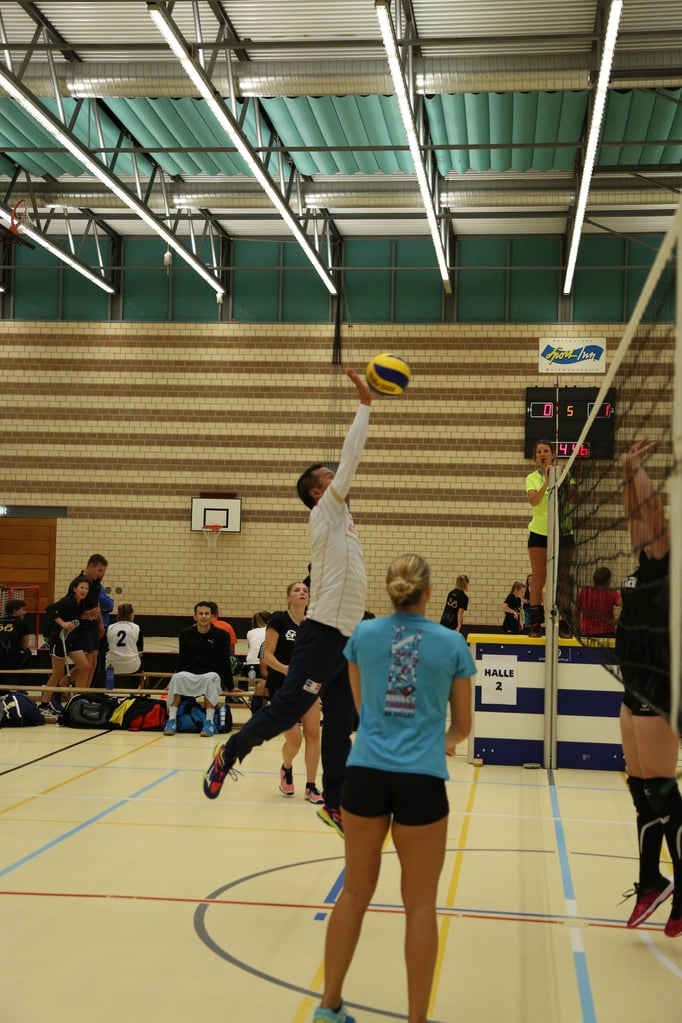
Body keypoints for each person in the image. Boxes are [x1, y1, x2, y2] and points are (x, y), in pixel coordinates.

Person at [204, 367, 373, 837]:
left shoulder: (341, 518)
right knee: (284, 710)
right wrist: (365, 405)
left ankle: (334, 803)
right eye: (328, 477)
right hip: (322, 634)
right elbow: (352, 457)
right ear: (319, 492)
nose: (337, 477)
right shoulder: (326, 510)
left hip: (346, 637)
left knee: (341, 724)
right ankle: (228, 754)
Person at [313, 553, 474, 1023]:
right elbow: (462, 727)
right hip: (422, 779)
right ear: (429, 593)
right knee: (420, 905)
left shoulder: (363, 636)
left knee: (353, 893)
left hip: (365, 774)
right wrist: (439, 741)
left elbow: (363, 710)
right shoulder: (452, 643)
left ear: (389, 590)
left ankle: (328, 1007)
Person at [617, 438, 681, 938]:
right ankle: (650, 880)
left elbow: (651, 515)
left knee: (661, 786)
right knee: (640, 785)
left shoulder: (667, 556)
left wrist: (636, 468)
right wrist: (625, 471)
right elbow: (635, 519)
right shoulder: (645, 560)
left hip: (659, 682)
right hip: (632, 681)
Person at [262, 581, 323, 805]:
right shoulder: (279, 620)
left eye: (305, 590)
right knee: (295, 740)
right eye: (297, 590)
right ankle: (286, 768)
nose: (302, 592)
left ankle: (311, 786)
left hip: (309, 684)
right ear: (288, 598)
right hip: (283, 685)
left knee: (314, 734)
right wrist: (286, 669)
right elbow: (267, 655)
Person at [525, 440, 575, 638]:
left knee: (563, 579)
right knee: (538, 580)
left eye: (546, 451)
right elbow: (534, 501)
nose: (542, 454)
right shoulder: (532, 478)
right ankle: (536, 625)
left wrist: (561, 479)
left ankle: (564, 623)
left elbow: (573, 499)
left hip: (563, 532)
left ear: (553, 455)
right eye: (539, 452)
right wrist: (547, 480)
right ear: (536, 457)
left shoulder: (566, 473)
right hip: (539, 533)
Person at [163, 601, 232, 737]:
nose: (204, 616)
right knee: (178, 677)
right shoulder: (185, 634)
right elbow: (182, 659)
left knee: (211, 678)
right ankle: (171, 721)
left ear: (212, 616)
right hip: (191, 674)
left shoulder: (222, 635)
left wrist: (231, 686)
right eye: (200, 614)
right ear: (195, 616)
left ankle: (209, 722)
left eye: (207, 613)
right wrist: (172, 680)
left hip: (211, 675)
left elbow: (225, 661)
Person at [38, 576, 92, 717]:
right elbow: (50, 609)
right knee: (57, 673)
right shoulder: (68, 601)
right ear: (74, 589)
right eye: (81, 587)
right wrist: (63, 624)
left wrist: (88, 616)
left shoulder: (81, 603)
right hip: (59, 639)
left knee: (85, 667)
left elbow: (76, 616)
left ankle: (78, 701)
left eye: (86, 588)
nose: (84, 590)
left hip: (72, 639)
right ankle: (44, 704)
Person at [75, 554, 108, 686]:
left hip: (93, 624)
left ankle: (85, 692)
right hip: (83, 626)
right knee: (86, 665)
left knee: (94, 663)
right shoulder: (79, 583)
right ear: (90, 566)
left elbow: (96, 603)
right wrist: (86, 614)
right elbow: (74, 609)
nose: (101, 575)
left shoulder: (96, 583)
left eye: (103, 572)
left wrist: (100, 622)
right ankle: (78, 693)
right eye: (99, 571)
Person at [576, 566, 621, 638]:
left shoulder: (584, 592)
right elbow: (627, 607)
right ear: (608, 581)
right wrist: (618, 621)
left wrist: (576, 629)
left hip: (586, 633)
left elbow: (576, 613)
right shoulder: (612, 593)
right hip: (606, 633)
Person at [106, 603, 144, 682]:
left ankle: (109, 687)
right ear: (131, 614)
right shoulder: (136, 628)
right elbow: (140, 653)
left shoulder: (110, 628)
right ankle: (134, 689)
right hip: (132, 666)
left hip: (111, 665)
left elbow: (106, 649)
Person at [0, 598, 32, 670]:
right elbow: (24, 646)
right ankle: (24, 676)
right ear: (15, 610)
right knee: (28, 652)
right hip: (12, 663)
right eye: (22, 609)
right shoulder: (22, 624)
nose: (25, 612)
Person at [93, 586, 115, 686]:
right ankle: (97, 688)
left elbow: (108, 604)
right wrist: (105, 608)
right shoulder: (95, 586)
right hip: (97, 628)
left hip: (98, 627)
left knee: (95, 662)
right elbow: (108, 603)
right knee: (98, 662)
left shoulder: (97, 585)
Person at [244, 610, 271, 675]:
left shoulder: (250, 632)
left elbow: (251, 648)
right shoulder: (272, 631)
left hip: (250, 665)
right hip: (266, 666)